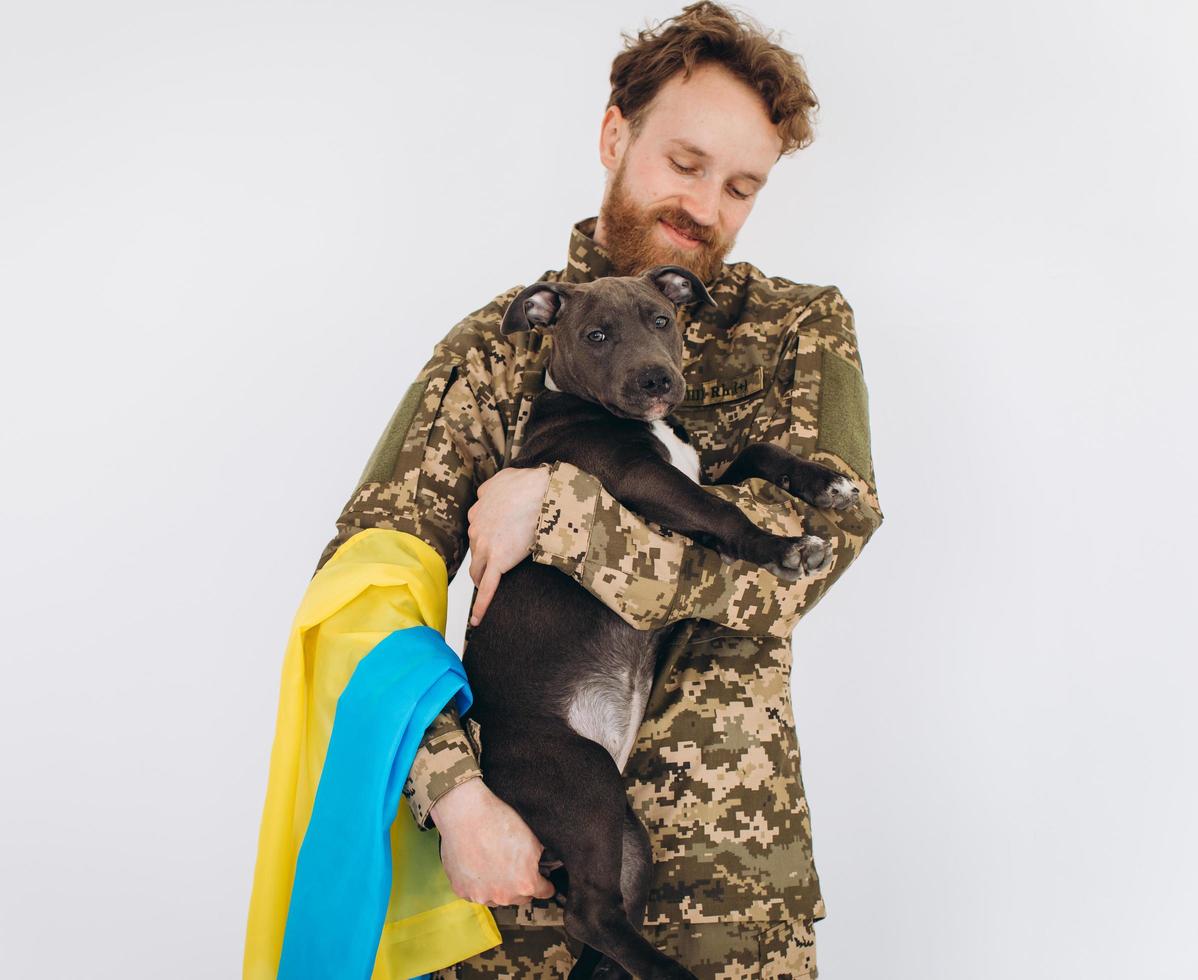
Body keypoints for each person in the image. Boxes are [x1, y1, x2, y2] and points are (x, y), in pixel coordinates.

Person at [311, 3, 883, 977]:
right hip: (521, 892)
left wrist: (565, 514)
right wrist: (455, 794)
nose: (706, 206)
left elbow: (789, 574)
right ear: (616, 132)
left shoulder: (799, 331)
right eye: (687, 162)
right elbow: (360, 592)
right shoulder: (501, 345)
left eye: (742, 186)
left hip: (728, 902)